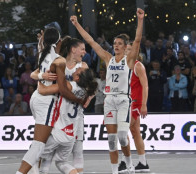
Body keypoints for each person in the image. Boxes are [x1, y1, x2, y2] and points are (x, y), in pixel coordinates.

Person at [71, 8, 144, 174]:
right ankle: (114, 171)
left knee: (122, 136)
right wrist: (77, 25)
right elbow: (91, 42)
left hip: (124, 100)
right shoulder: (108, 58)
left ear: (126, 47)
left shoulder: (129, 60)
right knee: (111, 141)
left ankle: (129, 164)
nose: (116, 46)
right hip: (109, 100)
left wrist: (140, 20)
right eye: (115, 43)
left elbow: (138, 40)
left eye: (119, 44)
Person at [16, 28, 85, 174]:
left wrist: (41, 75)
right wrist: (79, 100)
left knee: (42, 143)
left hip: (36, 97)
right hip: (46, 101)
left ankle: (37, 170)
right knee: (39, 145)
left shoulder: (43, 52)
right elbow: (63, 90)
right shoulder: (59, 61)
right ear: (59, 41)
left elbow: (35, 72)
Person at [31, 36, 89, 174]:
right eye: (82, 49)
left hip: (69, 114)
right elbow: (34, 73)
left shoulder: (82, 67)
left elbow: (89, 87)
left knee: (75, 149)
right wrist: (42, 76)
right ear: (73, 49)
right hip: (58, 111)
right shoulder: (59, 62)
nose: (85, 52)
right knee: (56, 155)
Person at [38, 68, 98, 174]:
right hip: (70, 135)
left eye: (78, 70)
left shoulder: (69, 86)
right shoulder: (85, 92)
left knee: (34, 154)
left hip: (58, 131)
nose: (75, 70)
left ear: (77, 77)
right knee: (61, 162)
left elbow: (42, 90)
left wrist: (41, 78)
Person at [119, 43, 149, 173]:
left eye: (130, 49)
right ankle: (143, 163)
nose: (127, 51)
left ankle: (124, 162)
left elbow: (146, 86)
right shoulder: (122, 65)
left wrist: (143, 104)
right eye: (126, 49)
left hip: (135, 103)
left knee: (122, 131)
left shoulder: (138, 65)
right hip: (126, 102)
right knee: (135, 132)